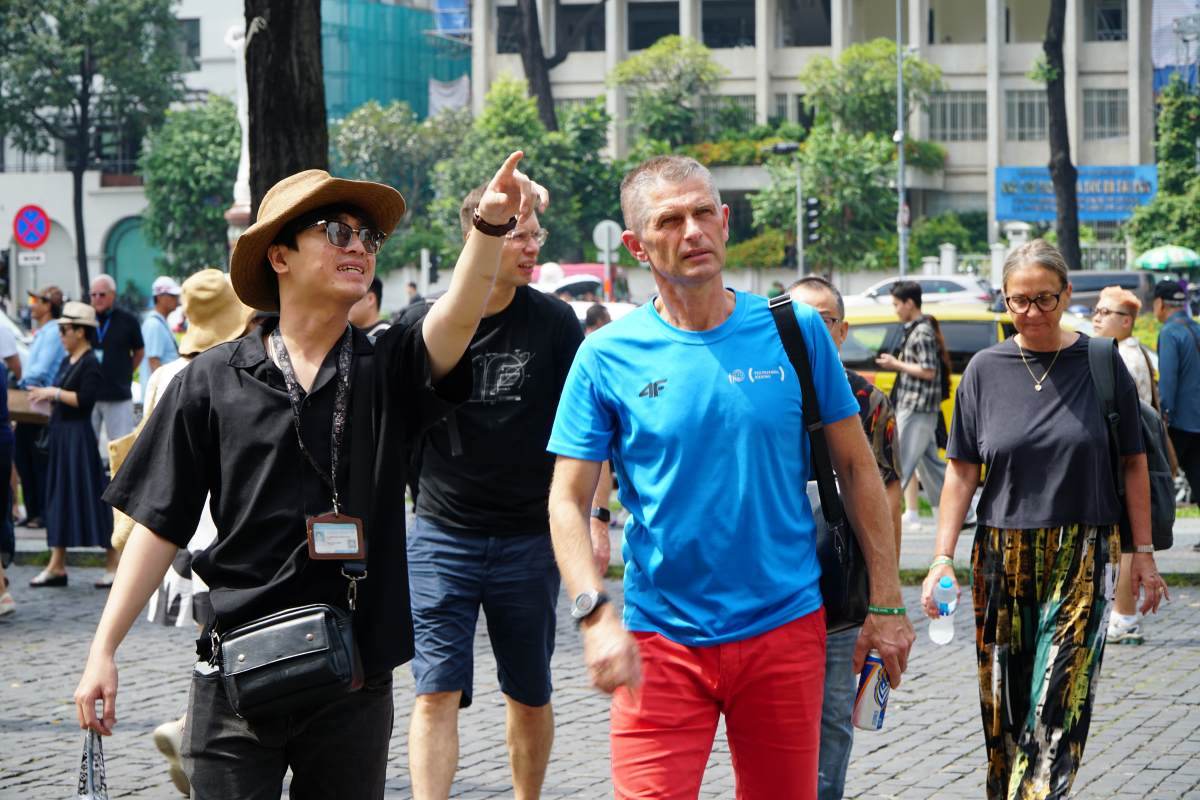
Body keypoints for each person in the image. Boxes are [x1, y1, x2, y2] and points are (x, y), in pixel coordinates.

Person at [73, 154, 543, 799]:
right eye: (337, 231)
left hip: (354, 677)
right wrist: (104, 651)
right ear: (279, 256)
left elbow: (458, 316)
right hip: (236, 674)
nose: (360, 247)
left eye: (369, 236)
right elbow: (158, 523)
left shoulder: (389, 367)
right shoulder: (208, 381)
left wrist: (490, 228)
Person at [546, 155, 914, 799]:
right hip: (659, 638)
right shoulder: (606, 356)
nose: (691, 232)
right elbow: (567, 501)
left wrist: (886, 602)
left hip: (785, 629)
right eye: (669, 220)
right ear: (636, 246)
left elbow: (859, 468)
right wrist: (593, 612)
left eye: (702, 213)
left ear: (725, 220)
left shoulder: (793, 330)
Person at [922, 240, 1170, 800]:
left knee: (1060, 696)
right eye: (1018, 301)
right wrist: (941, 557)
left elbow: (1133, 463)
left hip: (1085, 550)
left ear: (1065, 297)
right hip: (1000, 552)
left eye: (1044, 299)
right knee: (1004, 707)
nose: (1031, 313)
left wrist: (1145, 554)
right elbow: (962, 472)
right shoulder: (984, 370)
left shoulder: (1102, 362)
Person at [405, 187, 583, 800]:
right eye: (516, 235)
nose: (531, 246)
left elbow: (583, 433)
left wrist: (598, 515)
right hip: (440, 535)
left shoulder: (555, 322)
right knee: (435, 690)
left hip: (528, 540)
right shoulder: (422, 324)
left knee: (529, 692)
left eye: (536, 235)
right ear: (479, 238)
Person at [789, 276, 901, 800]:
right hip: (779, 579)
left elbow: (888, 493)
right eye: (798, 318)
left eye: (824, 320)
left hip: (841, 582)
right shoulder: (765, 387)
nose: (810, 330)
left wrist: (886, 590)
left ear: (841, 331)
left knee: (834, 712)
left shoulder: (867, 400)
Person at [26, 302, 117, 588]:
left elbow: (84, 400)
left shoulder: (90, 362)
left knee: (90, 496)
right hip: (63, 436)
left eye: (65, 329)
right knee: (59, 497)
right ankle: (57, 564)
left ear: (81, 331)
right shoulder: (69, 360)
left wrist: (53, 393)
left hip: (78, 439)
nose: (61, 335)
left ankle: (113, 562)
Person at [1092, 286, 1158, 646]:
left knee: (1126, 543)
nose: (1098, 318)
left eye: (1107, 312)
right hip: (1126, 457)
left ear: (1128, 321)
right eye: (1096, 311)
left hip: (1126, 460)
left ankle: (1125, 615)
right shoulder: (1124, 352)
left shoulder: (1125, 359)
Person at [875, 281, 963, 532]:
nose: (895, 310)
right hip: (917, 406)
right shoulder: (918, 329)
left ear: (909, 303)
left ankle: (880, 514)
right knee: (932, 467)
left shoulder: (921, 332)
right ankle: (964, 511)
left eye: (896, 304)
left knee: (899, 462)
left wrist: (896, 364)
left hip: (917, 407)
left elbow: (928, 370)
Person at [1153, 281, 1200, 552]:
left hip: (1179, 421)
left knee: (1160, 477)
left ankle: (1152, 537)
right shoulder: (1195, 327)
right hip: (1197, 420)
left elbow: (1167, 380)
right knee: (1197, 474)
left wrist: (1164, 414)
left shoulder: (1170, 332)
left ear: (1160, 303)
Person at [15, 286, 67, 529]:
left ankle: (42, 514)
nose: (32, 304)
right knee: (24, 456)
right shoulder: (43, 332)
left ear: (48, 305)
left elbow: (41, 370)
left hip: (41, 404)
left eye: (36, 300)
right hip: (33, 400)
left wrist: (22, 382)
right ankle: (34, 511)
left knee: (38, 459)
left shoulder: (53, 332)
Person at [88, 274, 144, 460]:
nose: (97, 299)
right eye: (93, 294)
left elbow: (139, 352)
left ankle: (123, 487)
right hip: (89, 395)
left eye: (102, 294)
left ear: (112, 295)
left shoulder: (128, 320)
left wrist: (126, 372)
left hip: (118, 394)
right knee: (87, 447)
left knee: (122, 449)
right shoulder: (86, 322)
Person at [139, 275, 182, 393]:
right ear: (159, 297)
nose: (176, 299)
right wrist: (167, 393)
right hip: (160, 395)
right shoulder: (154, 325)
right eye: (172, 295)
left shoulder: (160, 322)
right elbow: (154, 362)